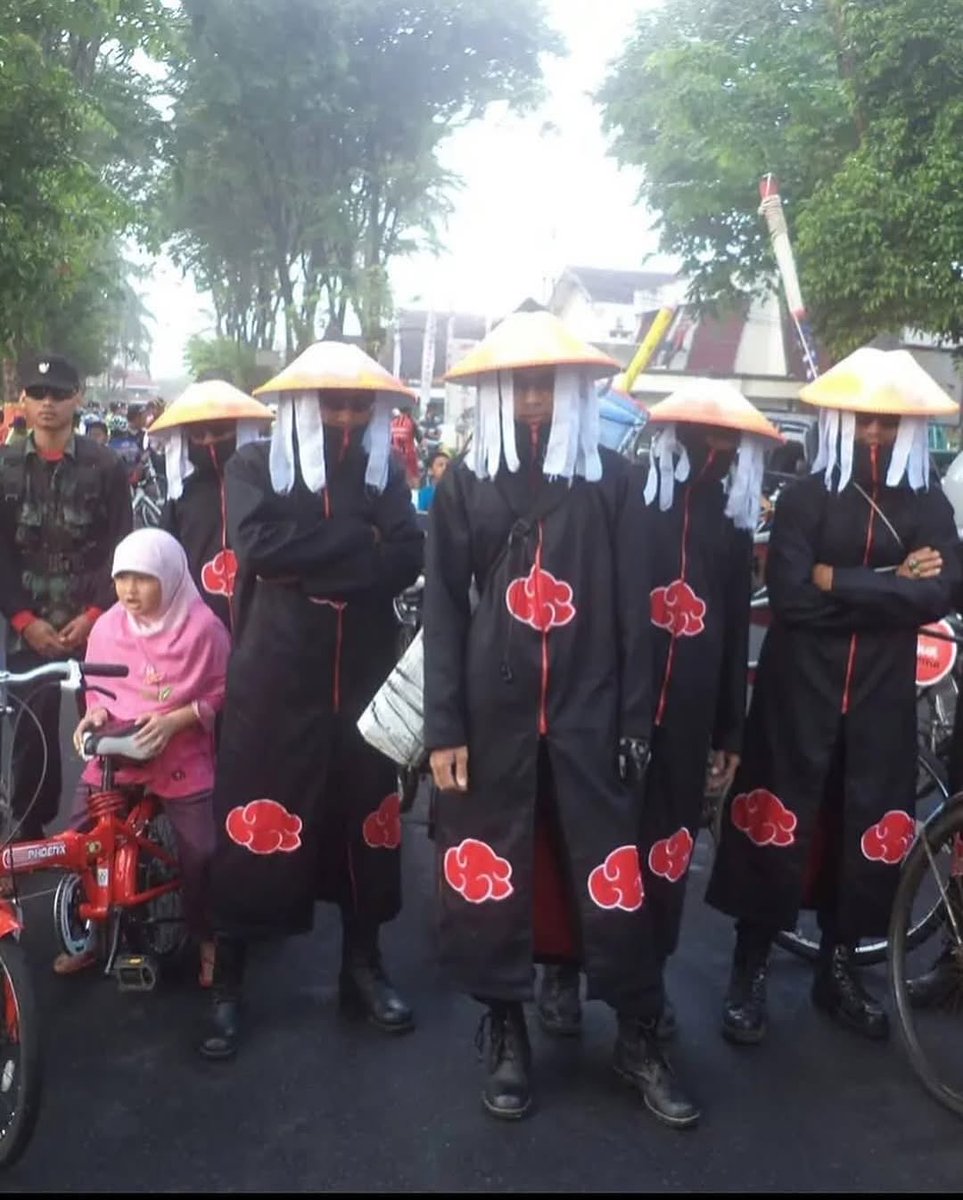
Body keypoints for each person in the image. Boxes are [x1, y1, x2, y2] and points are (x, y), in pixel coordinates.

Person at [424, 311, 692, 1127]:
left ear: (574, 390)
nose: (534, 398)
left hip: (591, 709)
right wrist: (446, 729)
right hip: (491, 714)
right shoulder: (464, 484)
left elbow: (631, 612)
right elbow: (442, 607)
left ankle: (637, 1035)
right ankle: (505, 1028)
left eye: (549, 382)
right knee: (498, 875)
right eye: (520, 383)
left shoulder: (610, 482)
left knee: (613, 876)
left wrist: (634, 721)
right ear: (499, 392)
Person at [706, 348, 961, 1044]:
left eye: (884, 423)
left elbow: (942, 591)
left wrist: (837, 578)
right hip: (798, 691)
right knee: (778, 822)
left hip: (881, 696)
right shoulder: (806, 495)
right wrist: (888, 582)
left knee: (865, 827)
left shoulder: (926, 499)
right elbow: (789, 596)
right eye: (861, 421)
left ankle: (839, 967)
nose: (872, 435)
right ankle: (748, 966)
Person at [537, 381, 780, 1084]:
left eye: (728, 438)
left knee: (662, 857)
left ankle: (642, 995)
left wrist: (727, 730)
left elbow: (734, 625)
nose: (717, 448)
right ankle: (563, 968)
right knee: (593, 846)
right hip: (610, 704)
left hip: (689, 716)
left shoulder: (733, 523)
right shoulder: (627, 494)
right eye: (704, 436)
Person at [199, 340, 424, 1061]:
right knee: (251, 821)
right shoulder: (253, 463)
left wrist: (318, 557)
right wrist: (357, 545)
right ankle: (229, 980)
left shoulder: (382, 471)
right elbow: (260, 546)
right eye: (334, 400)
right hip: (275, 676)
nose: (348, 414)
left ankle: (362, 966)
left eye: (359, 401)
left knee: (366, 819)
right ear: (303, 401)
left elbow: (409, 553)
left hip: (361, 675)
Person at [70, 529, 230, 982]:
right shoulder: (107, 626)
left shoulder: (203, 629)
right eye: (122, 578)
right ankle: (89, 934)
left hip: (180, 753)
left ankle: (207, 939)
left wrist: (175, 720)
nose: (129, 591)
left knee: (200, 852)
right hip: (118, 754)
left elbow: (221, 691)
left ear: (170, 577)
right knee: (79, 840)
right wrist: (94, 717)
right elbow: (97, 690)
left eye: (143, 579)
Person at [0, 354, 132, 841]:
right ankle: (30, 833)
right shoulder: (5, 469)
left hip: (96, 623)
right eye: (38, 394)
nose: (48, 403)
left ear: (77, 398)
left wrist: (97, 614)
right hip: (26, 625)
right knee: (31, 737)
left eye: (58, 393)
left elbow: (122, 543)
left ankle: (109, 826)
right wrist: (21, 619)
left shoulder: (106, 466)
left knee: (105, 729)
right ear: (23, 402)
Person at [151, 380, 272, 634]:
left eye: (219, 431)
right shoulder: (182, 495)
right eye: (198, 434)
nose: (209, 442)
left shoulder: (269, 486)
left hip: (262, 619)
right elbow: (166, 557)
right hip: (197, 623)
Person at [390, 405, 421, 489]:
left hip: (395, 456)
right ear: (409, 411)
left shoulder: (393, 422)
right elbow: (420, 438)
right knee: (414, 480)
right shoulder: (411, 422)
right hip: (410, 456)